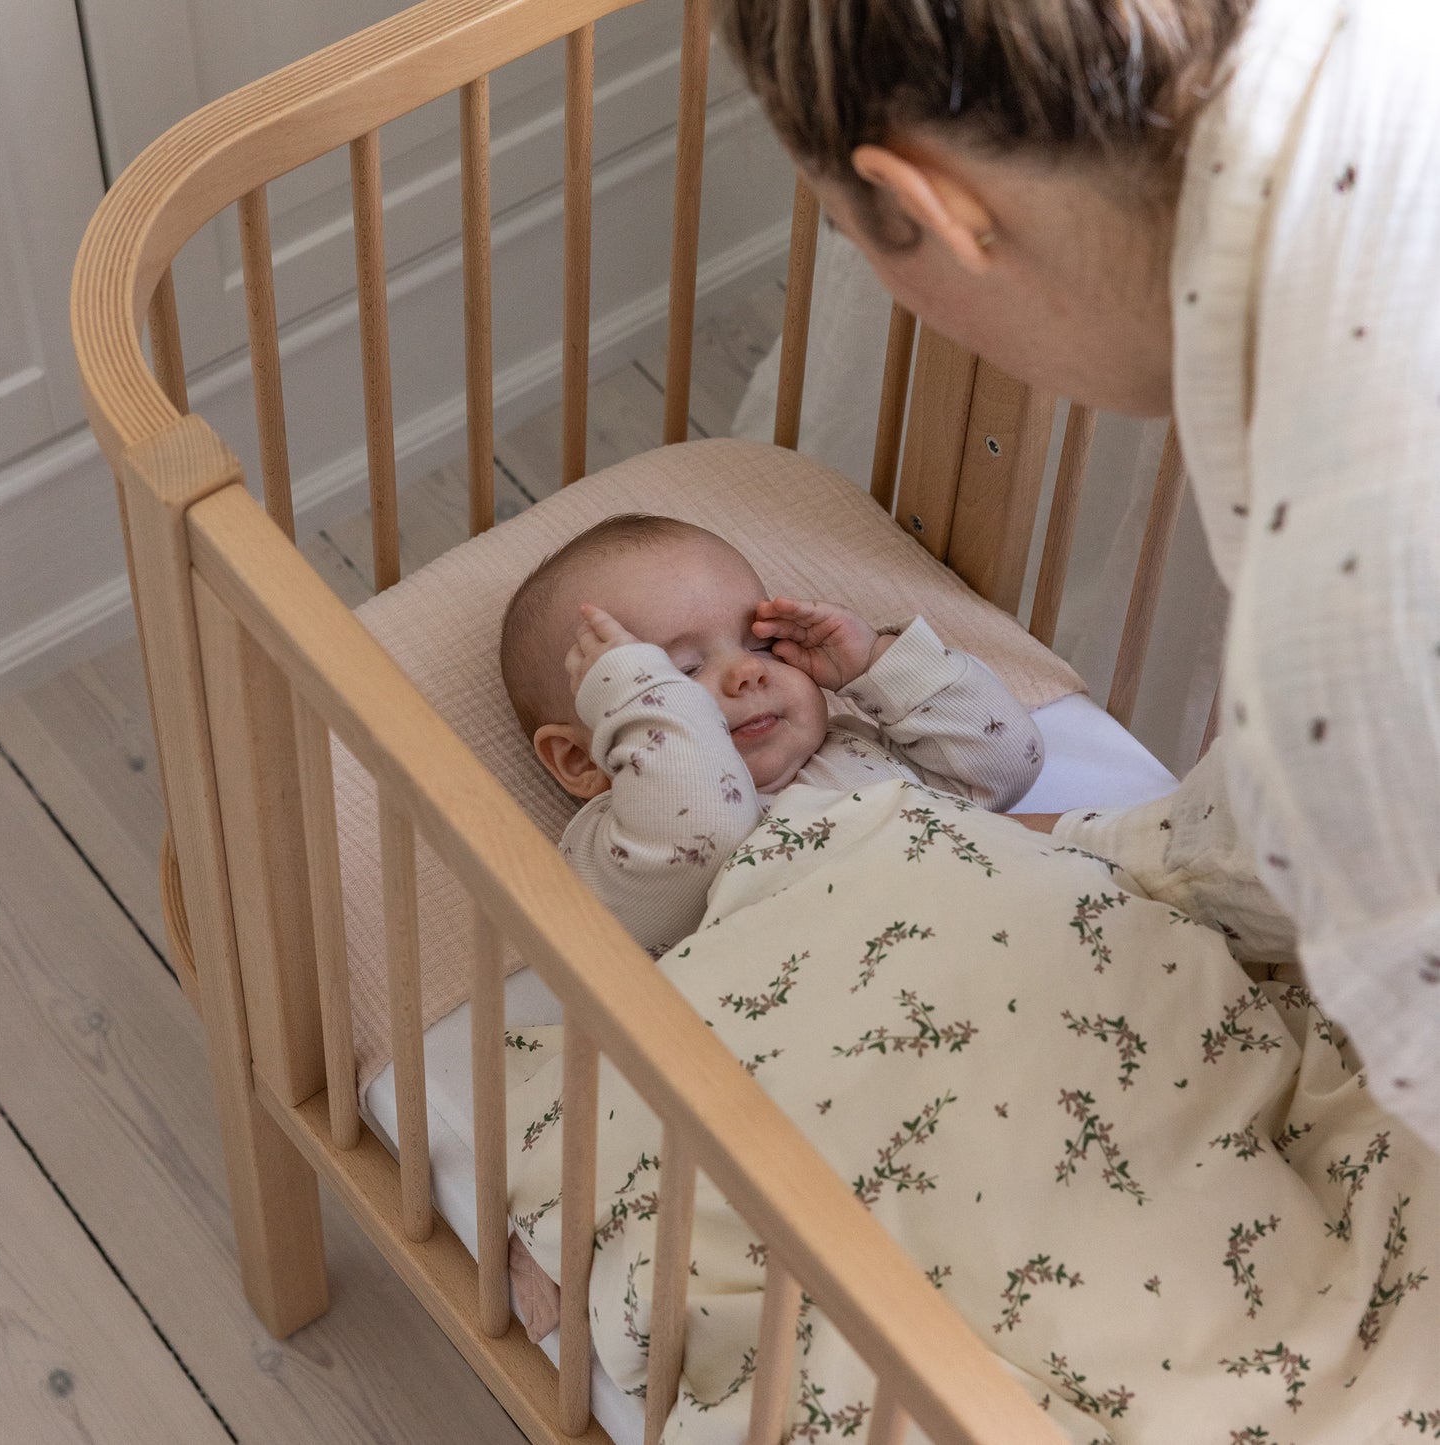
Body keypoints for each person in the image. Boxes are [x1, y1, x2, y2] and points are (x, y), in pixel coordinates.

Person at [714, 0, 1440, 1147]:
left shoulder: (1348, 600)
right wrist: (1083, 847)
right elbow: (1288, 827)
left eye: (859, 244)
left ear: (930, 208)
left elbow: (1004, 747)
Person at [499, 513, 1043, 955]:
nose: (748, 671)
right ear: (579, 760)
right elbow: (703, 829)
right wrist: (652, 698)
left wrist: (877, 662)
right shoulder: (626, 846)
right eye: (678, 674)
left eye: (761, 645)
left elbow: (1005, 767)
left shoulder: (860, 746)